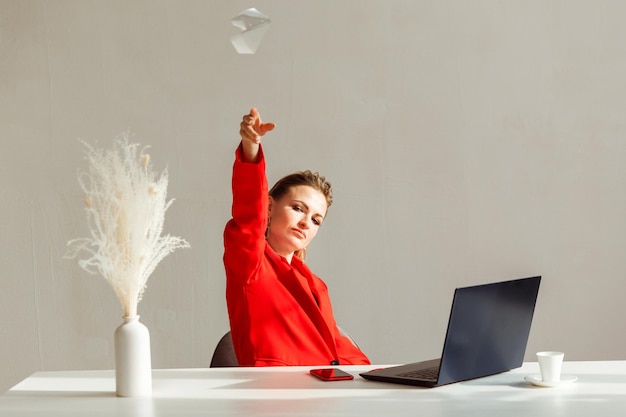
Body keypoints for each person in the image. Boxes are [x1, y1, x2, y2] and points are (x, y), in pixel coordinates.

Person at [223, 107, 370, 366]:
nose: (305, 223)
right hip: (276, 396)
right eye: (298, 208)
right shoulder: (251, 264)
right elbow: (248, 214)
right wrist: (251, 147)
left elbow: (338, 350)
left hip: (328, 394)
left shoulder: (315, 284)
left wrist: (381, 378)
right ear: (269, 207)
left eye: (316, 220)